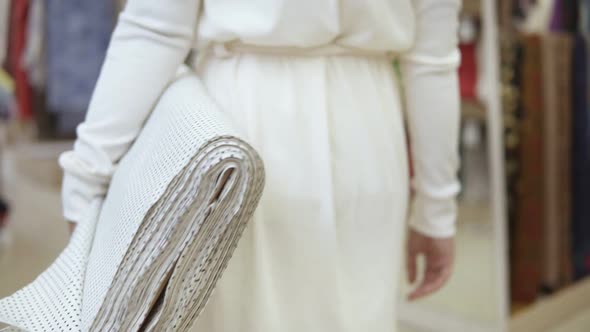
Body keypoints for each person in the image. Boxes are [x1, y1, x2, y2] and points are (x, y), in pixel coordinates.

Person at [60, 0, 462, 331]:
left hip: (241, 118)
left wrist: (87, 176)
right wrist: (435, 210)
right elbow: (432, 61)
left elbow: (155, 30)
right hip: (366, 125)